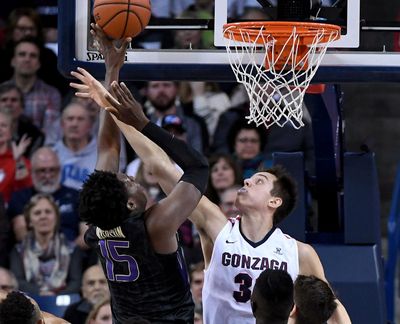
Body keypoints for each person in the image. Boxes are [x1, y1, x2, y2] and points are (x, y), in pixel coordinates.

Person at [74, 77, 351, 324]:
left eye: (259, 181)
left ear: (275, 202)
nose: (246, 180)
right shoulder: (218, 227)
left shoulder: (299, 253)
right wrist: (122, 114)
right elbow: (162, 168)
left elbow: (330, 304)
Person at [70, 23, 209, 323]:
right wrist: (144, 124)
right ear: (131, 204)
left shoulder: (100, 224)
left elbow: (108, 147)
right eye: (130, 181)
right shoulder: (156, 226)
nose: (131, 176)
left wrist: (112, 70)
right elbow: (199, 167)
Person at [8, 146, 85, 247]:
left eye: (52, 170)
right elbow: (21, 233)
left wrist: (68, 252)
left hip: (71, 253)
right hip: (31, 255)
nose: (47, 176)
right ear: (32, 171)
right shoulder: (20, 197)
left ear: (59, 170)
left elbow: (86, 235)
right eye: (42, 171)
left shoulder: (77, 196)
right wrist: (43, 252)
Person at [9, 193, 82, 295]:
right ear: (29, 221)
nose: (43, 216)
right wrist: (40, 293)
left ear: (56, 218)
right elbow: (17, 281)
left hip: (63, 304)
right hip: (29, 302)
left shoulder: (72, 249)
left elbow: (76, 282)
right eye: (37, 213)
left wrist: (55, 296)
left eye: (48, 212)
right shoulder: (18, 250)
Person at [8, 36, 61, 132]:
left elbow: (49, 134)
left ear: (39, 64)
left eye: (33, 55)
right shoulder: (2, 91)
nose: (27, 59)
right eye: (22, 54)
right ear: (13, 61)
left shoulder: (51, 94)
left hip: (38, 145)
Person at [144, 80, 209, 154]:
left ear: (177, 88)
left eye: (166, 85)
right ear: (146, 91)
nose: (161, 90)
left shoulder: (195, 122)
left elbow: (200, 159)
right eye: (155, 86)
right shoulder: (140, 124)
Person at [50, 101, 97, 190]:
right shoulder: (51, 154)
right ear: (62, 125)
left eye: (80, 119)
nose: (74, 124)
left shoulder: (101, 155)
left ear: (90, 125)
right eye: (70, 119)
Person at [0, 81, 44, 157]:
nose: (8, 104)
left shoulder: (34, 135)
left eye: (14, 100)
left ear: (22, 107)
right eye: (4, 100)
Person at [0, 109, 32, 203]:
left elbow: (25, 189)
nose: (0, 129)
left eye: (4, 126)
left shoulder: (21, 161)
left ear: (11, 131)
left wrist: (18, 159)